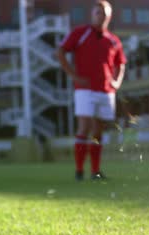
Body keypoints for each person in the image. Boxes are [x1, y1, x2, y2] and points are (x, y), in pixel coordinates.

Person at [57, 0, 126, 181]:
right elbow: (61, 51)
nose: (100, 15)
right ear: (92, 14)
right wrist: (73, 75)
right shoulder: (80, 33)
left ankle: (95, 171)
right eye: (97, 12)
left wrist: (117, 81)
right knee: (84, 127)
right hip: (85, 89)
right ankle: (79, 170)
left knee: (98, 131)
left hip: (105, 90)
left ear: (109, 16)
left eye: (104, 12)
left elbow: (121, 64)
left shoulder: (114, 40)